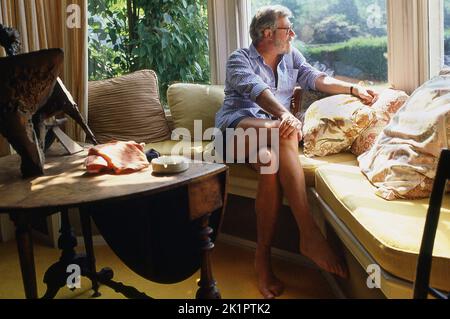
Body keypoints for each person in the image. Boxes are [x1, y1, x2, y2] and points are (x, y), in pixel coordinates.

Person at [214, 5, 378, 299]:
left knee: (270, 162)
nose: (293, 33)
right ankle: (309, 233)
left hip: (265, 143)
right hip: (232, 134)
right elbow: (257, 91)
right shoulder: (239, 59)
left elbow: (317, 78)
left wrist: (354, 90)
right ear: (267, 33)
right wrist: (285, 115)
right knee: (283, 129)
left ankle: (261, 259)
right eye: (287, 28)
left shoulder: (291, 55)